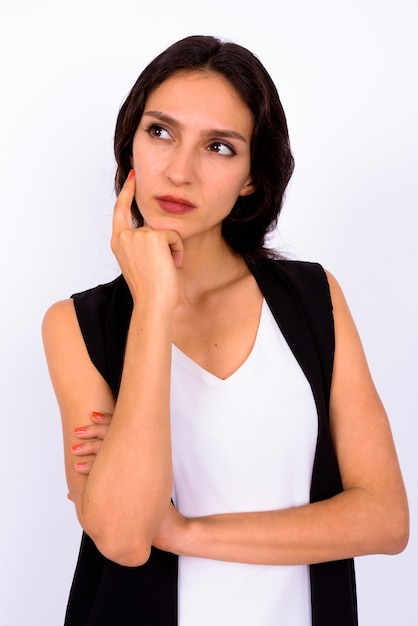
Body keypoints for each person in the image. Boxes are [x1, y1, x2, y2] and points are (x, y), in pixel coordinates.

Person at [42, 35, 409, 626]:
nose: (179, 170)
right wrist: (155, 304)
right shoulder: (77, 325)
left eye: (218, 146)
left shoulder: (315, 300)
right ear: (130, 146)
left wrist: (184, 529)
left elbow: (386, 519)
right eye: (160, 132)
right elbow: (126, 537)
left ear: (250, 180)